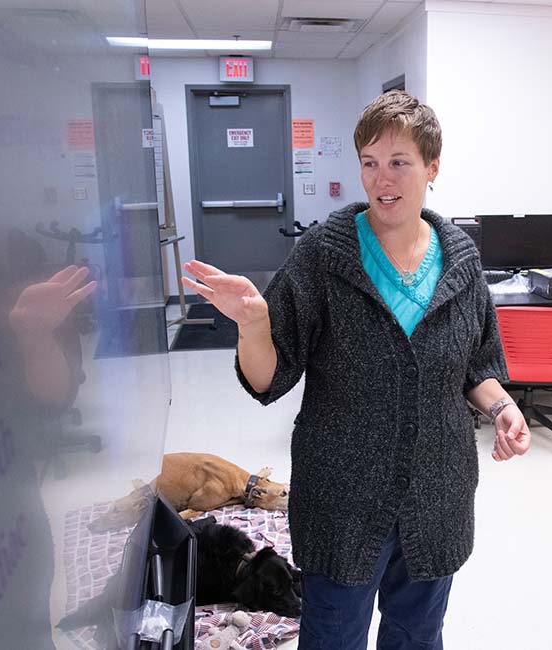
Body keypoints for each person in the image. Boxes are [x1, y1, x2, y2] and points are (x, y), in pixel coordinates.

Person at [183, 90, 531, 650]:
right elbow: (269, 377)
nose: (382, 179)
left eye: (399, 162)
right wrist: (252, 324)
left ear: (432, 167)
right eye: (370, 163)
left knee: (417, 635)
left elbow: (477, 365)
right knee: (334, 635)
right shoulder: (325, 255)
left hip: (436, 492)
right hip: (341, 496)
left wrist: (503, 407)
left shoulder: (462, 260)